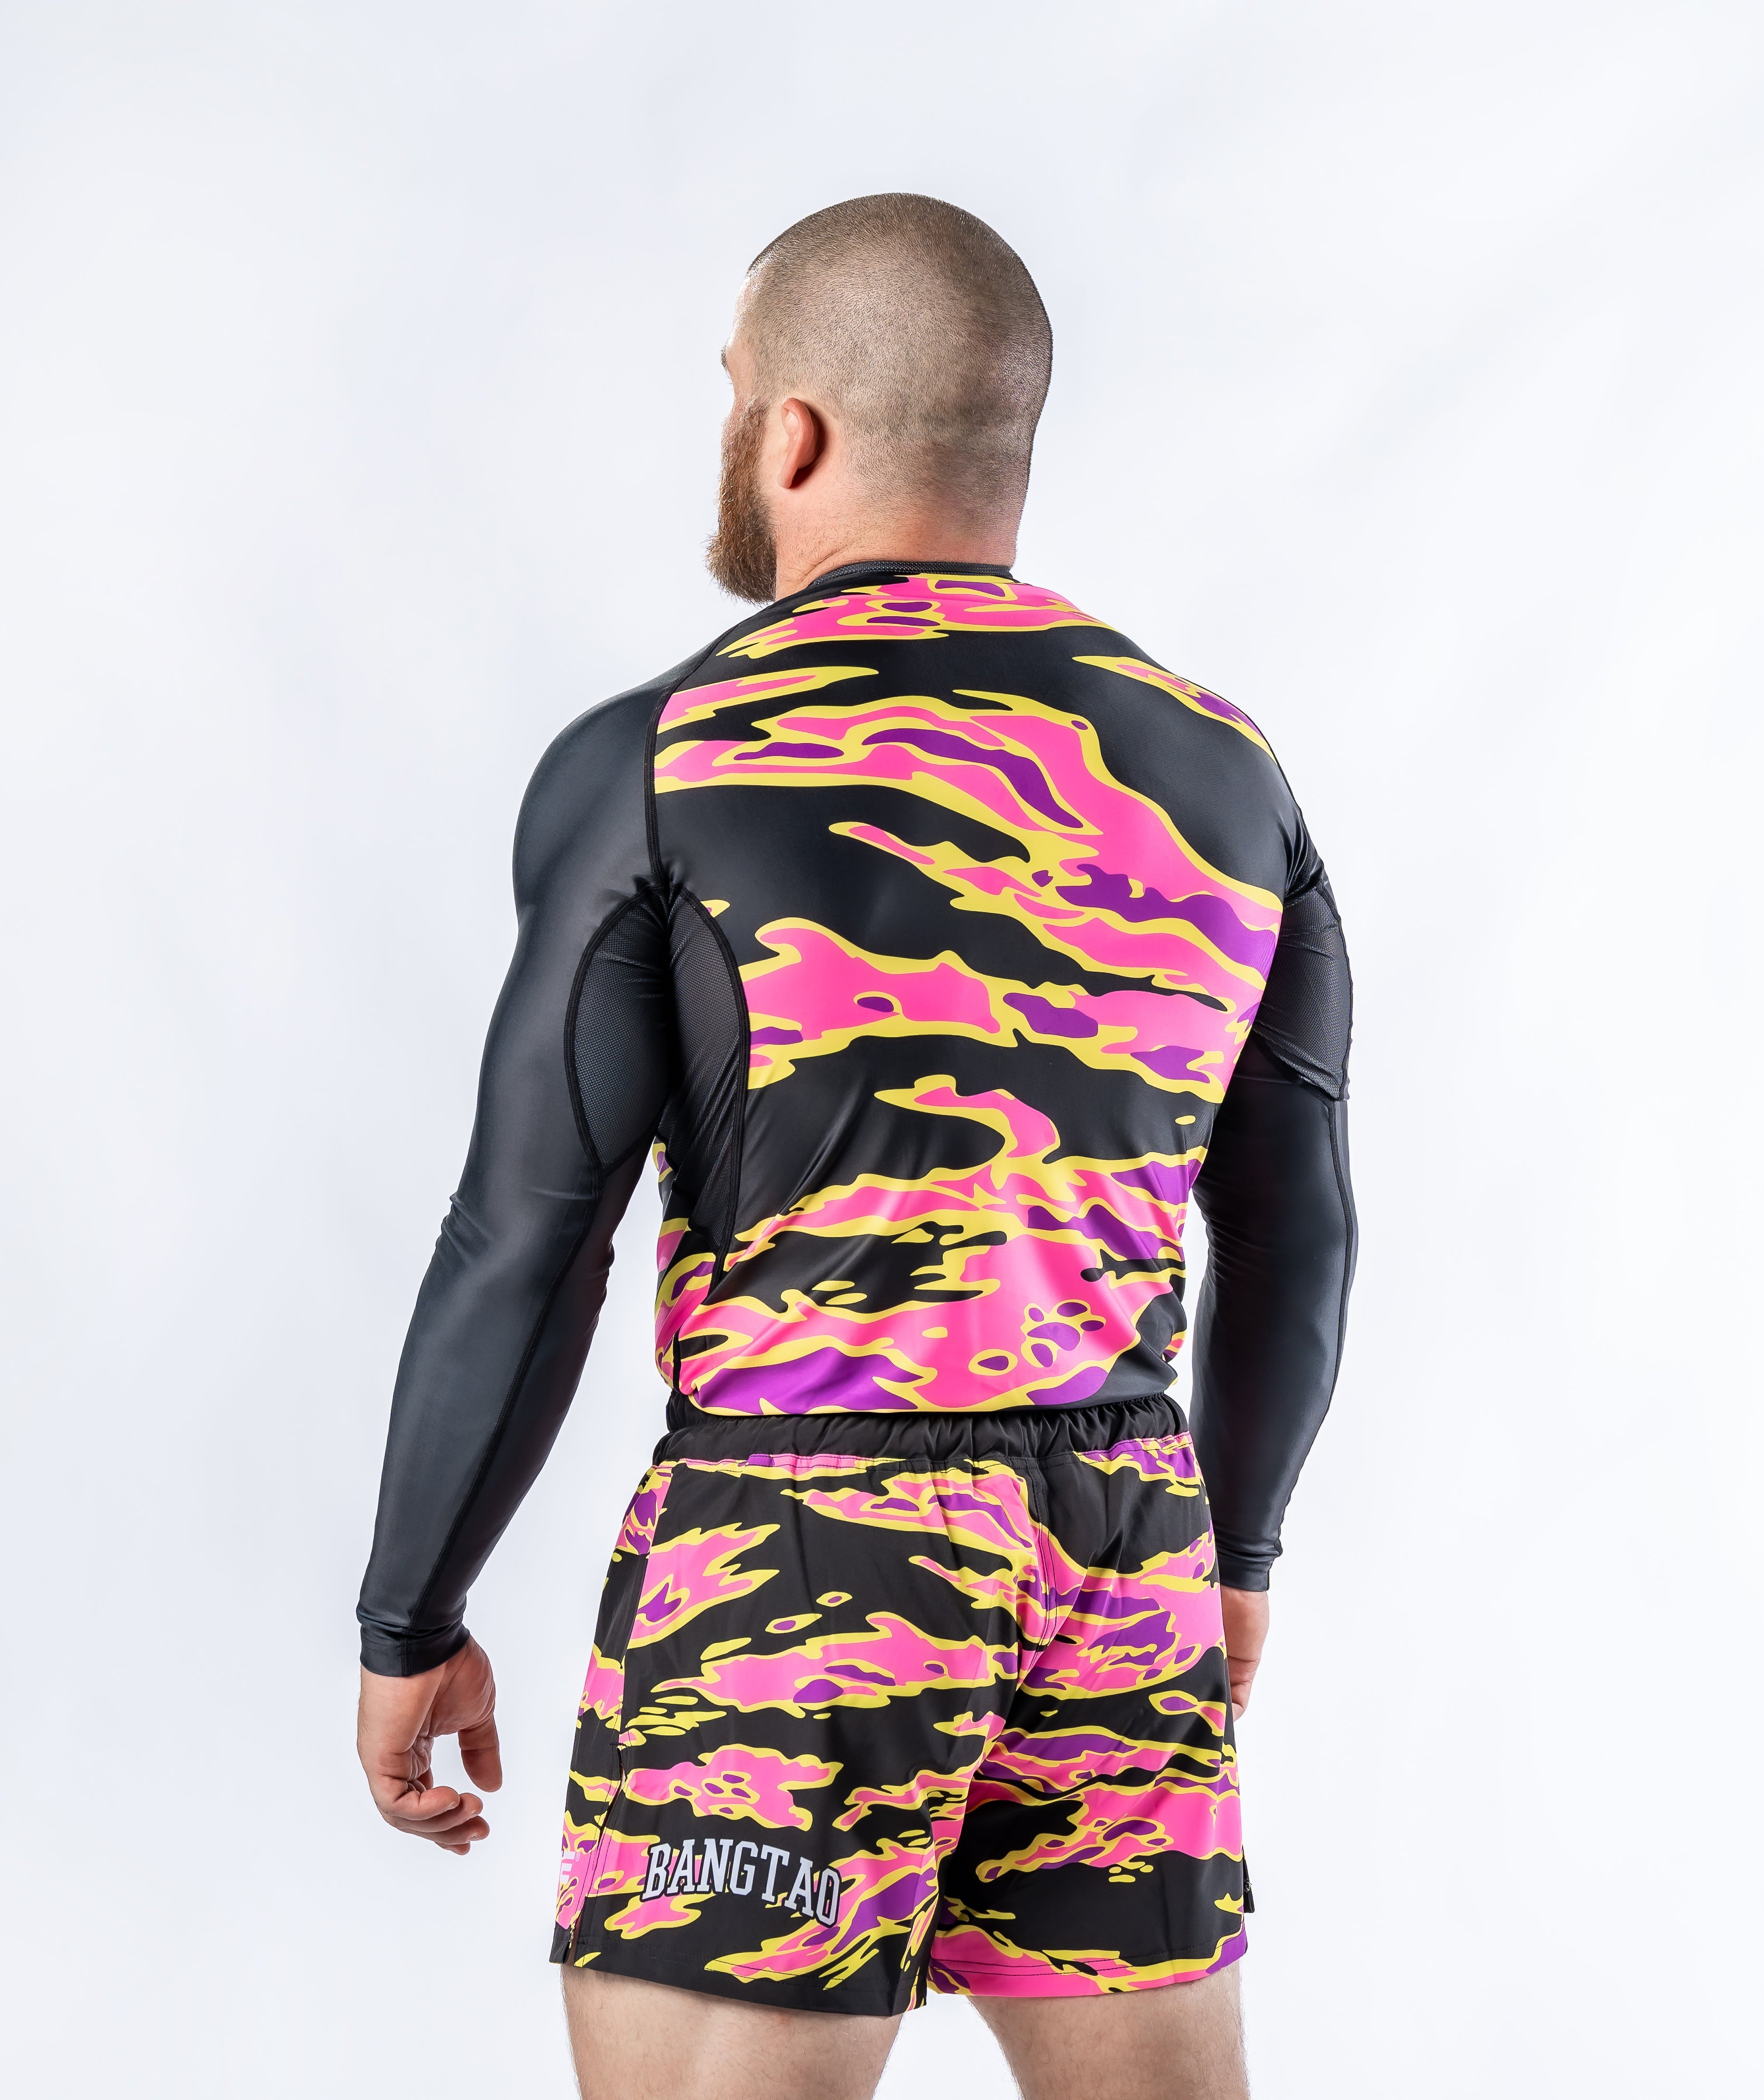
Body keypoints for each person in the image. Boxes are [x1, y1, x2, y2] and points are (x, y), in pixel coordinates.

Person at [354, 193, 1356, 2100]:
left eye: (732, 392)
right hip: (1123, 1550)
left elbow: (525, 1236)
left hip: (797, 1560)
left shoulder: (672, 756)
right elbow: (1294, 1224)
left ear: (791, 429)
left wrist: (412, 1609)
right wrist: (1237, 1550)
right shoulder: (1226, 768)